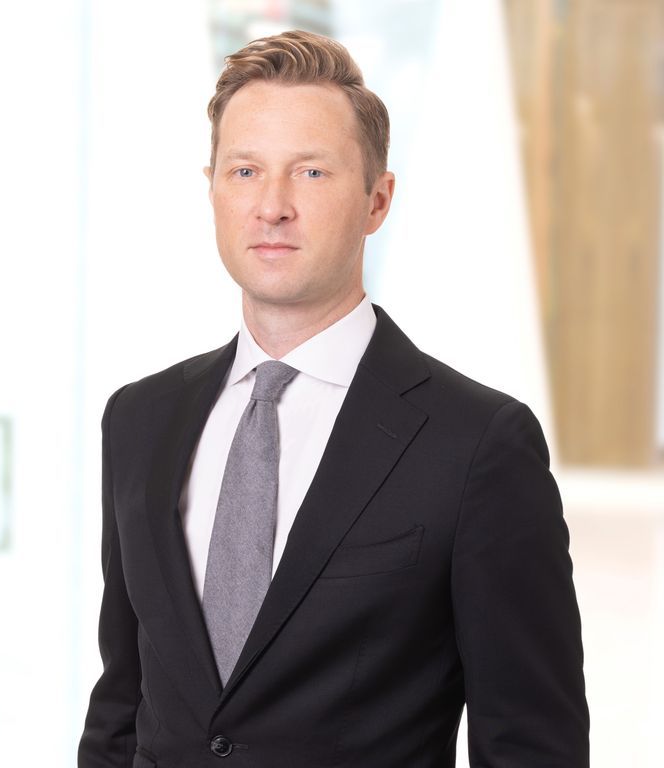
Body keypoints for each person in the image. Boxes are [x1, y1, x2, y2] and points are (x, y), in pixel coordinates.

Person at [78, 29, 589, 768]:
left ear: (377, 200)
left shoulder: (478, 445)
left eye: (311, 172)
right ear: (213, 188)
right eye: (245, 170)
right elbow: (121, 706)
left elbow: (531, 745)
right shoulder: (139, 420)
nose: (272, 206)